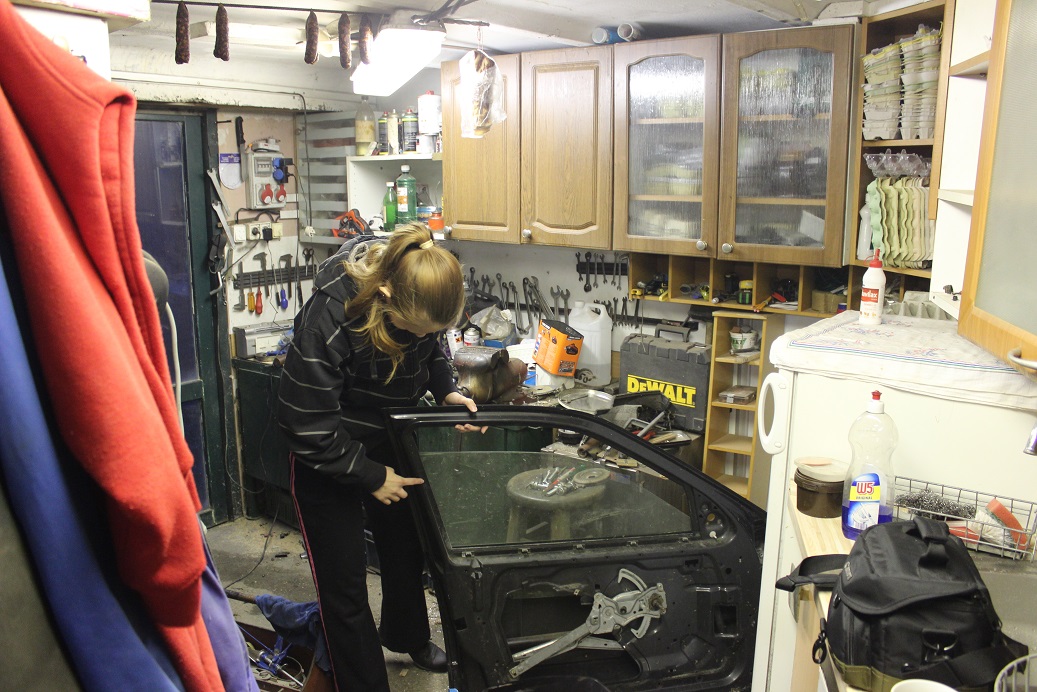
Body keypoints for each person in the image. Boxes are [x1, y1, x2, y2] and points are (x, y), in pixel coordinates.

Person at [277, 223, 480, 690]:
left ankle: (407, 636)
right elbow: (304, 424)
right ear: (385, 296)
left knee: (406, 548)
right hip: (326, 448)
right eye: (413, 327)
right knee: (344, 585)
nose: (421, 336)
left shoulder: (419, 290)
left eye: (432, 330)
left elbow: (431, 351)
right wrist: (369, 475)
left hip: (391, 431)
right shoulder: (331, 314)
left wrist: (447, 391)